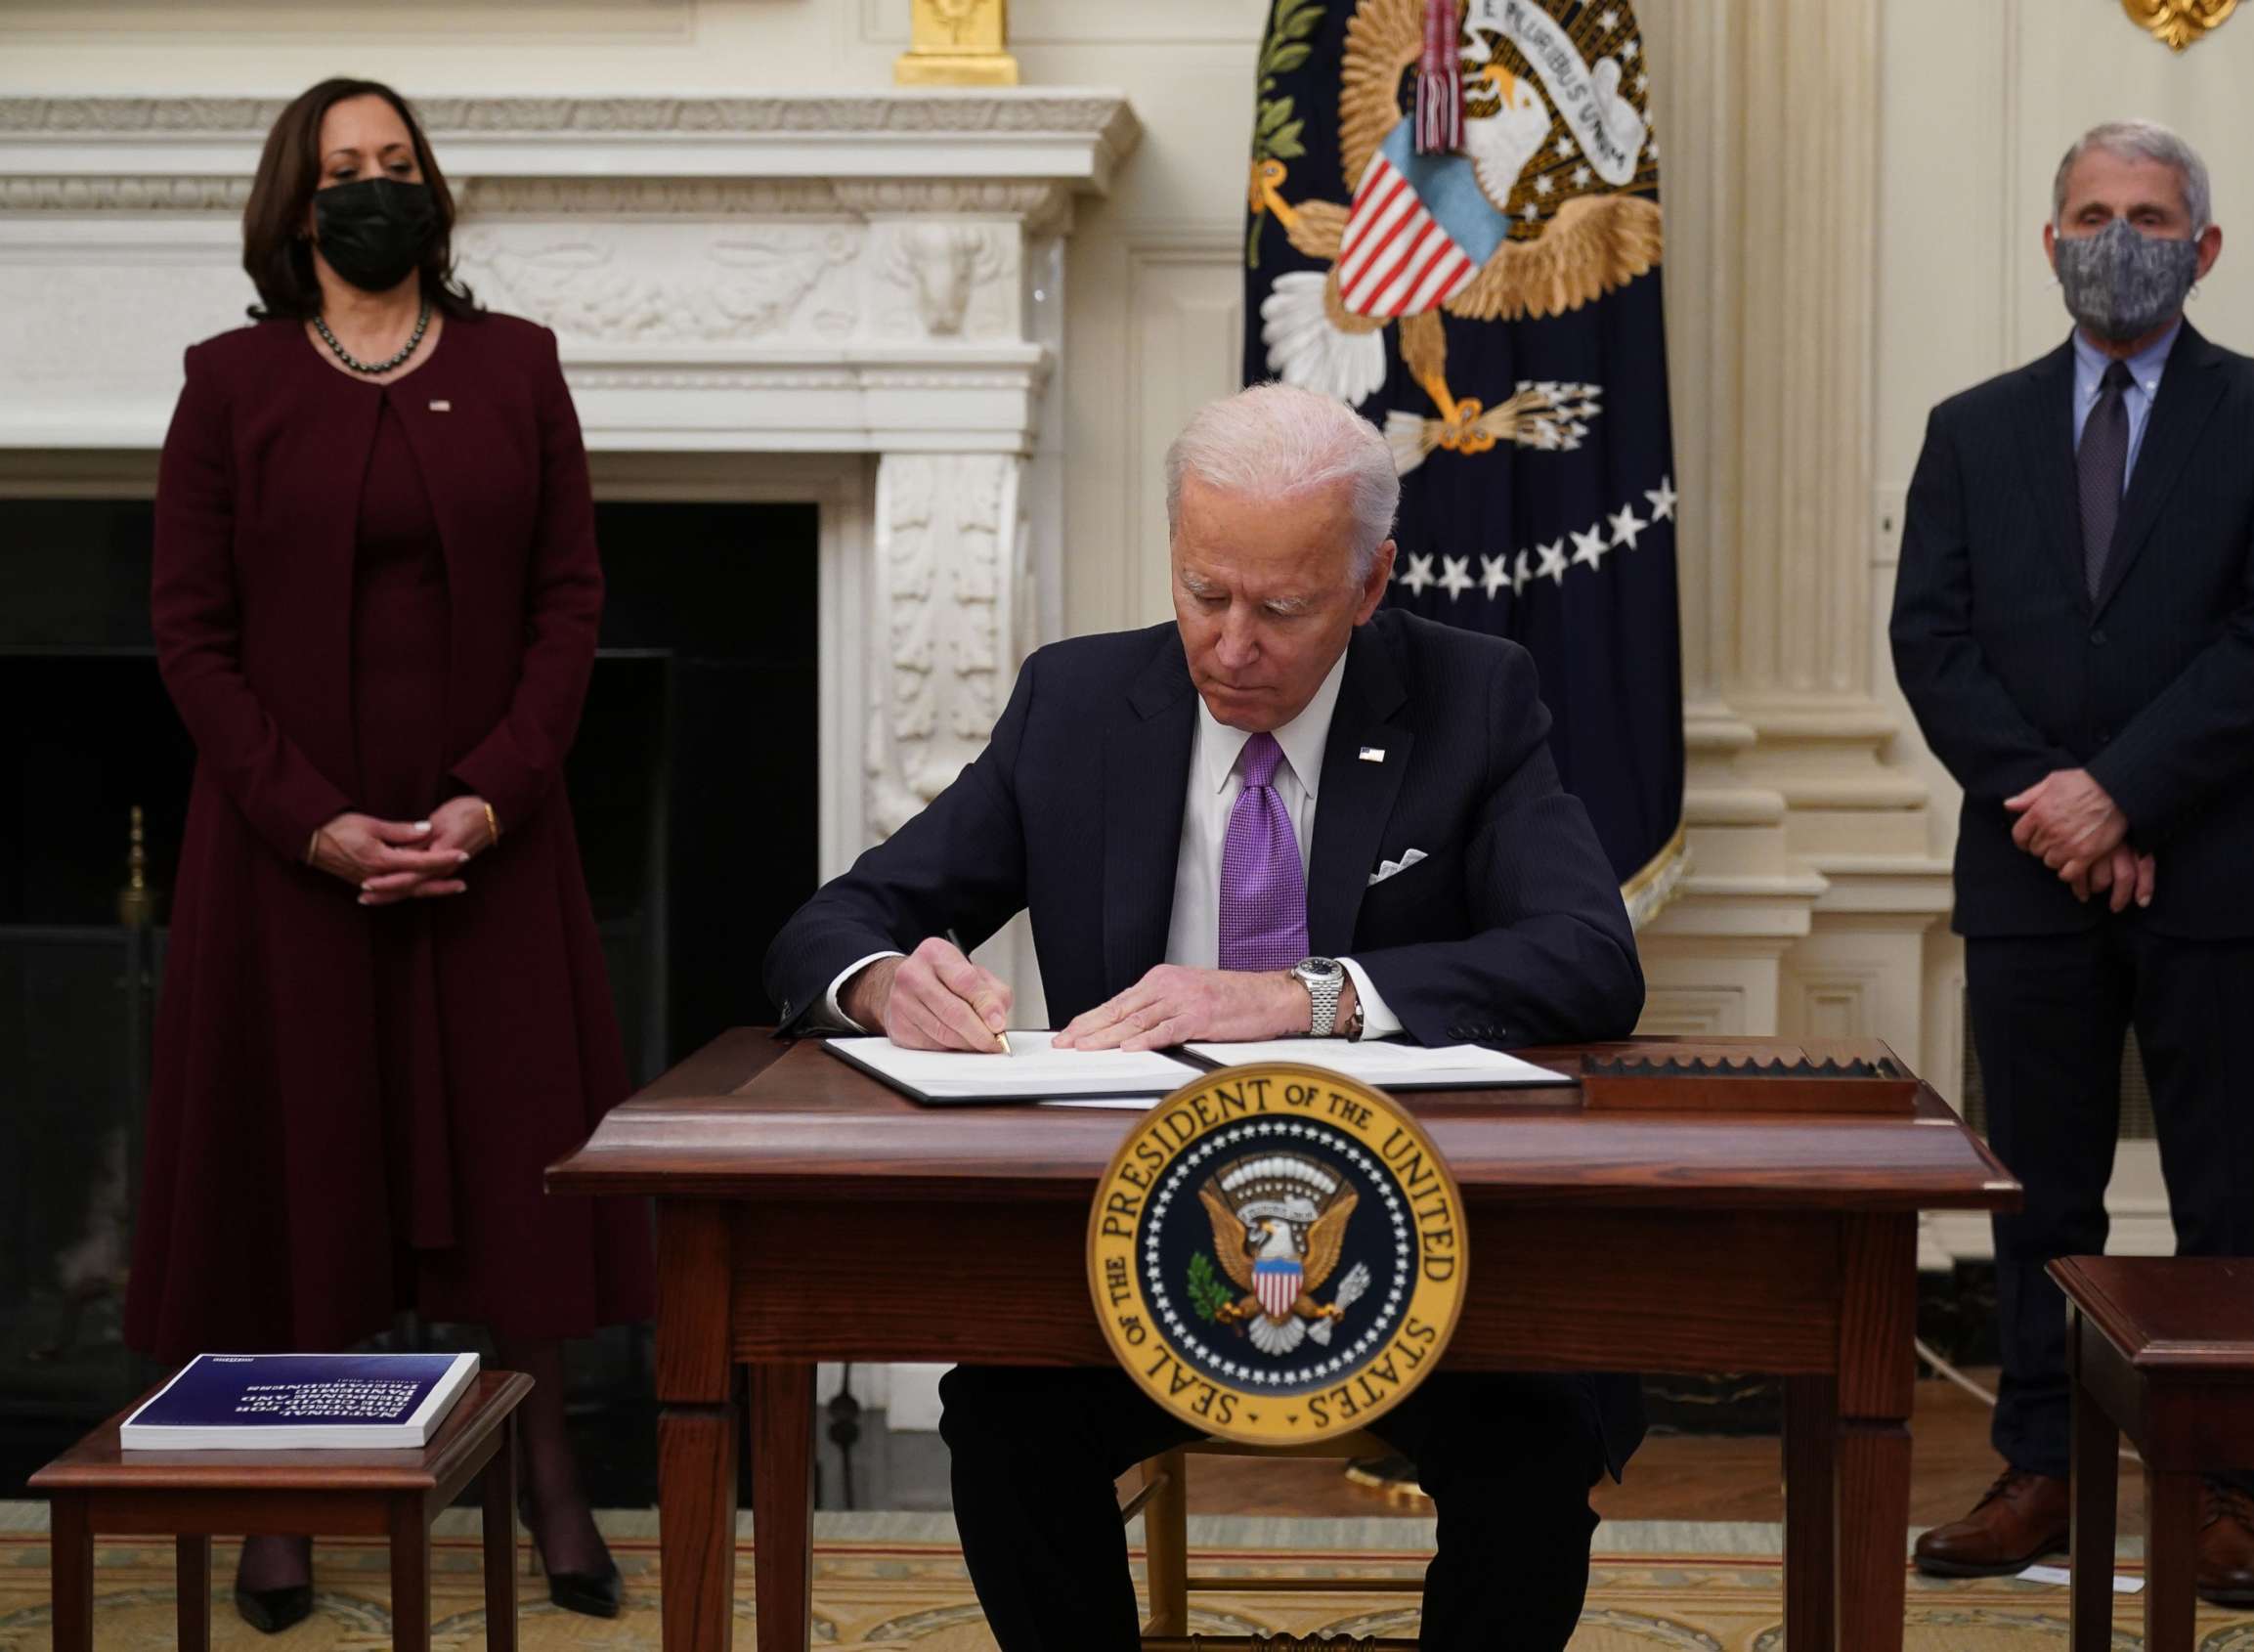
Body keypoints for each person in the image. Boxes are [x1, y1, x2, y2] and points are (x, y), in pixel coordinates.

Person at [765, 382, 1646, 1648]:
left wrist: (1310, 996)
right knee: (1005, 1426)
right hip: (1134, 1240)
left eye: (1281, 608)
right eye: (1203, 592)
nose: (1232, 643)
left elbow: (1587, 958)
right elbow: (831, 921)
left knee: (1534, 1440)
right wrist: (882, 979)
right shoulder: (1074, 708)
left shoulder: (1474, 699)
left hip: (1419, 1247)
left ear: (1371, 579)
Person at [129, 78, 654, 1629]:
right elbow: (188, 628)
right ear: (299, 210)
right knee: (303, 1163)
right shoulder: (228, 385)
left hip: (494, 847)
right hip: (288, 859)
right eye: (346, 170)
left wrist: (488, 796)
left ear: (436, 192)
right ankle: (280, 1507)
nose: (376, 187)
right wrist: (309, 818)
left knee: (510, 1175)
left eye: (398, 164)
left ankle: (548, 1477)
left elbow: (572, 600)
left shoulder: (519, 368)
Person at [1889, 119, 2254, 1605]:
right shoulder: (1972, 428)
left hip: (2222, 873)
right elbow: (1933, 643)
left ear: (2203, 247)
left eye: (2149, 213)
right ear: (2050, 240)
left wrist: (2127, 800)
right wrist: (2057, 807)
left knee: (2226, 1197)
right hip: (2029, 878)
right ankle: (2044, 1470)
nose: (2118, 235)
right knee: (2035, 1192)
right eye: (2091, 211)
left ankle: (2220, 1489)